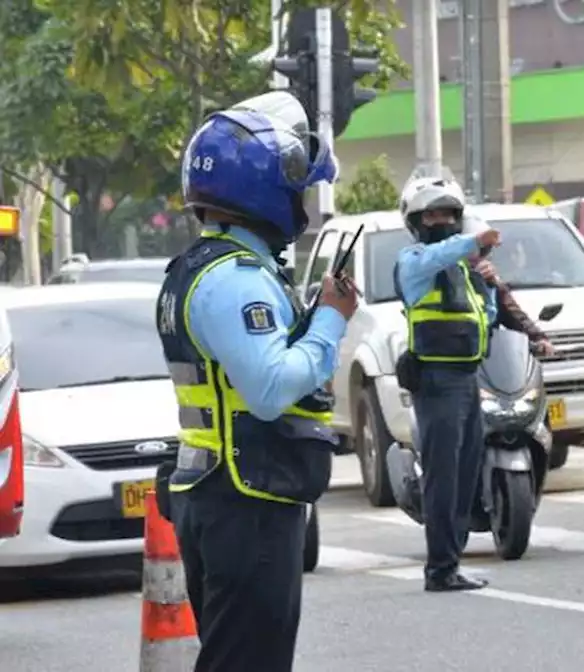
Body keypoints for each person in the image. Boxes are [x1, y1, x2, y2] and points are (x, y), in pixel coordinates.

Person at [155, 91, 358, 672]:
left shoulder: (201, 269)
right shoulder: (235, 279)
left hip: (225, 495)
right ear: (261, 190)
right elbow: (270, 390)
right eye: (296, 188)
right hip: (246, 501)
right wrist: (329, 321)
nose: (301, 203)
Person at [394, 174, 501, 592]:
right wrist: (474, 243)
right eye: (432, 214)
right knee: (442, 476)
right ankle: (439, 568)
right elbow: (445, 252)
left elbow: (484, 317)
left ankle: (451, 561)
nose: (441, 220)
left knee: (465, 473)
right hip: (437, 381)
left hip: (468, 377)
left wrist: (486, 283)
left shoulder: (463, 268)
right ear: (417, 222)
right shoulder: (415, 262)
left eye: (449, 214)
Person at [461, 215, 556, 356]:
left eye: (484, 250)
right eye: (470, 250)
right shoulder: (441, 279)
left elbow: (512, 312)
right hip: (449, 360)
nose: (477, 257)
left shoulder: (491, 284)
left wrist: (537, 338)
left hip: (486, 363)